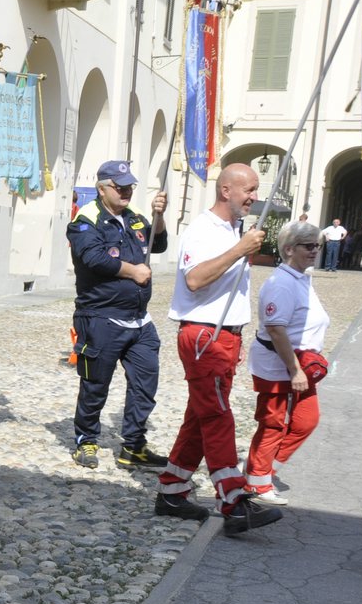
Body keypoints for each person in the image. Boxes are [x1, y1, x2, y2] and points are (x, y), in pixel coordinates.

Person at [157, 163, 282, 536]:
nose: (254, 197)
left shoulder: (232, 228)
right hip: (203, 335)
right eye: (249, 190)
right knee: (217, 415)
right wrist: (239, 250)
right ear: (226, 190)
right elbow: (194, 279)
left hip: (224, 335)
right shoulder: (203, 229)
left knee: (201, 414)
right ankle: (233, 499)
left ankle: (172, 489)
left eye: (256, 190)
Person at [66, 160, 169, 469]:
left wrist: (159, 216)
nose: (125, 191)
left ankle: (133, 445)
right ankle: (87, 440)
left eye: (129, 187)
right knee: (95, 384)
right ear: (102, 188)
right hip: (100, 317)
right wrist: (132, 271)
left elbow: (159, 243)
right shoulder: (86, 219)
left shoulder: (135, 218)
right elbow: (93, 258)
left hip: (139, 319)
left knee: (145, 384)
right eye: (119, 186)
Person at [244, 222, 329, 506]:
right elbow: (276, 329)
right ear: (289, 249)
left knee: (306, 420)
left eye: (317, 245)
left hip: (301, 364)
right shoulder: (281, 283)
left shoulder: (300, 277)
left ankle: (265, 470)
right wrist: (294, 370)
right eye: (309, 246)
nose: (315, 250)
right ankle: (256, 481)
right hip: (280, 364)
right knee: (273, 423)